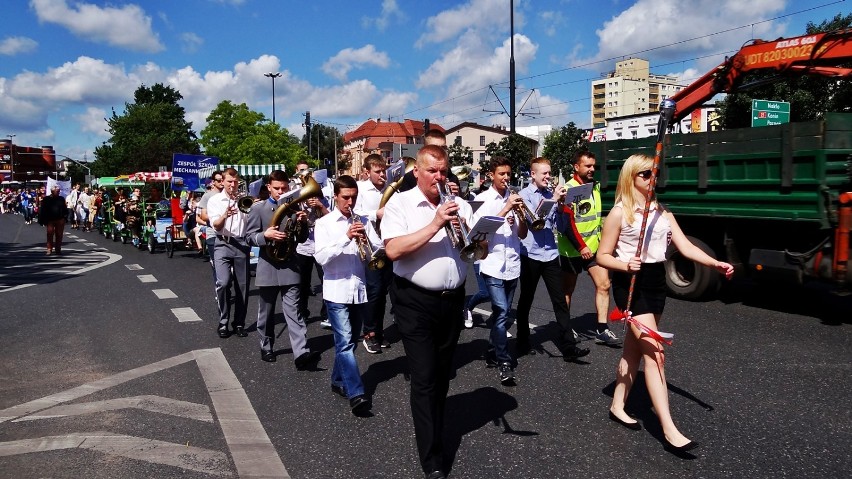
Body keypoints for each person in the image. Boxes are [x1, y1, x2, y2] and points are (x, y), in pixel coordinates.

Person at [596, 154, 733, 453]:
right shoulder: (620, 213)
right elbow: (602, 256)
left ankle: (618, 405)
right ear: (631, 176)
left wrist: (715, 263)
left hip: (657, 282)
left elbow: (685, 247)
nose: (652, 178)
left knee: (634, 350)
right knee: (655, 353)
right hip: (631, 284)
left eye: (655, 172)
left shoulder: (662, 212)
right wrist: (624, 265)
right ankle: (668, 429)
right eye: (645, 173)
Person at [382, 145, 473, 479]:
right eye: (432, 170)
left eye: (444, 171)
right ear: (416, 171)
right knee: (424, 376)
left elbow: (474, 249)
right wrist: (436, 223)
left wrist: (479, 236)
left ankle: (435, 428)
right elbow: (393, 250)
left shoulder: (459, 203)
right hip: (414, 301)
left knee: (442, 374)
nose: (439, 177)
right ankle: (432, 457)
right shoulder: (400, 204)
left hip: (452, 299)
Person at [315, 175, 381, 414]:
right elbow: (321, 258)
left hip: (359, 290)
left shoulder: (363, 220)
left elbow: (378, 251)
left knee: (349, 343)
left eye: (353, 197)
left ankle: (337, 380)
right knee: (344, 343)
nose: (350, 202)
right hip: (336, 291)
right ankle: (357, 393)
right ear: (335, 197)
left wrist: (368, 240)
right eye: (345, 198)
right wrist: (346, 238)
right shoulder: (324, 223)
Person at [245, 169, 321, 369]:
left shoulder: (293, 209)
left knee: (294, 312)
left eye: (284, 188)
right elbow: (248, 237)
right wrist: (265, 236)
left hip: (290, 266)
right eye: (277, 188)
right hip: (268, 266)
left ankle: (301, 352)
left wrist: (303, 224)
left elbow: (302, 238)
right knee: (266, 312)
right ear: (269, 187)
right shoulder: (258, 209)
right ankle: (266, 345)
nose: (280, 192)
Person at [472, 157, 527, 384]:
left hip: (512, 263)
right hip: (492, 263)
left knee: (499, 315)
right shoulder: (482, 200)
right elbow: (479, 234)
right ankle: (505, 362)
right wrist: (505, 210)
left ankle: (493, 351)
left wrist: (521, 218)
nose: (506, 178)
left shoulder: (515, 199)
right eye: (502, 174)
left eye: (508, 174)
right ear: (491, 175)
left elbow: (523, 234)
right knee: (502, 312)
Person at [558, 150, 621, 346]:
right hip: (572, 250)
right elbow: (566, 224)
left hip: (594, 249)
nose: (593, 169)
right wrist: (581, 246)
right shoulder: (567, 190)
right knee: (568, 290)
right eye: (588, 166)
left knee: (604, 285)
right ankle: (566, 328)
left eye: (594, 165)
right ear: (576, 167)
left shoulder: (594, 187)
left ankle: (602, 329)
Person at [353, 153, 392, 353]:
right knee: (374, 291)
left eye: (384, 171)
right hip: (370, 247)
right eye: (377, 172)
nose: (382, 175)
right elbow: (353, 213)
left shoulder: (390, 189)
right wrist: (375, 214)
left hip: (388, 245)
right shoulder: (360, 190)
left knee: (384, 292)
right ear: (367, 172)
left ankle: (379, 330)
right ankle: (369, 333)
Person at [207, 167, 251, 339]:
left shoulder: (244, 199)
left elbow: (251, 222)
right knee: (223, 282)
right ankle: (223, 321)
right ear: (223, 182)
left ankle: (239, 323)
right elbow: (216, 226)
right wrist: (225, 214)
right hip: (223, 243)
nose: (233, 185)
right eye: (229, 182)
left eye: (235, 182)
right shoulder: (215, 200)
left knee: (243, 287)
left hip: (241, 243)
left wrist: (250, 205)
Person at [293, 161, 330, 327]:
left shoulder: (321, 196)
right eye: (302, 172)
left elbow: (331, 219)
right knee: (302, 283)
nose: (305, 175)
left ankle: (326, 314)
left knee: (325, 281)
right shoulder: (296, 196)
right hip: (303, 246)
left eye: (308, 172)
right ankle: (302, 312)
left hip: (320, 245)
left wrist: (320, 206)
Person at [38, 185, 67, 255]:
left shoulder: (61, 199)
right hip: (50, 220)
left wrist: (65, 217)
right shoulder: (46, 199)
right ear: (52, 191)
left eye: (59, 191)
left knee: (59, 235)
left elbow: (65, 208)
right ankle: (49, 249)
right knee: (50, 234)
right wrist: (41, 219)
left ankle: (58, 249)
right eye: (57, 191)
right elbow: (42, 210)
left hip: (60, 219)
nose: (59, 192)